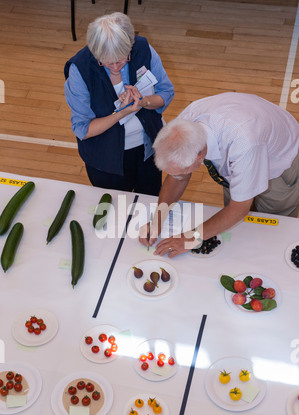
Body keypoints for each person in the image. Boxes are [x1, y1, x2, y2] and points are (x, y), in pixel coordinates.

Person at [139, 92, 299, 257]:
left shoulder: (244, 143)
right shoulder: (182, 126)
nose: (177, 176)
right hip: (248, 141)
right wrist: (158, 219)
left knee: (271, 229)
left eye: (183, 171)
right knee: (237, 230)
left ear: (200, 157)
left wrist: (189, 239)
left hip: (279, 162)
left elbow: (238, 210)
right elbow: (177, 177)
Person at [64, 12, 174, 196]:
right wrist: (121, 113)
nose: (116, 67)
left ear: (130, 45)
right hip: (107, 161)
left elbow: (166, 92)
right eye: (107, 62)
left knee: (148, 205)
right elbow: (83, 129)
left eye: (122, 59)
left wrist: (143, 101)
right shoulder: (80, 69)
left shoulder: (143, 49)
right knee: (114, 212)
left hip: (148, 151)